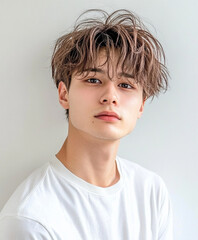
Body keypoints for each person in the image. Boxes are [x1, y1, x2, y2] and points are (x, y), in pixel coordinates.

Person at [0, 9, 173, 239]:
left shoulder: (151, 192)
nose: (110, 96)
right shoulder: (31, 218)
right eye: (93, 80)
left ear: (141, 105)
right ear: (64, 95)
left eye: (126, 84)